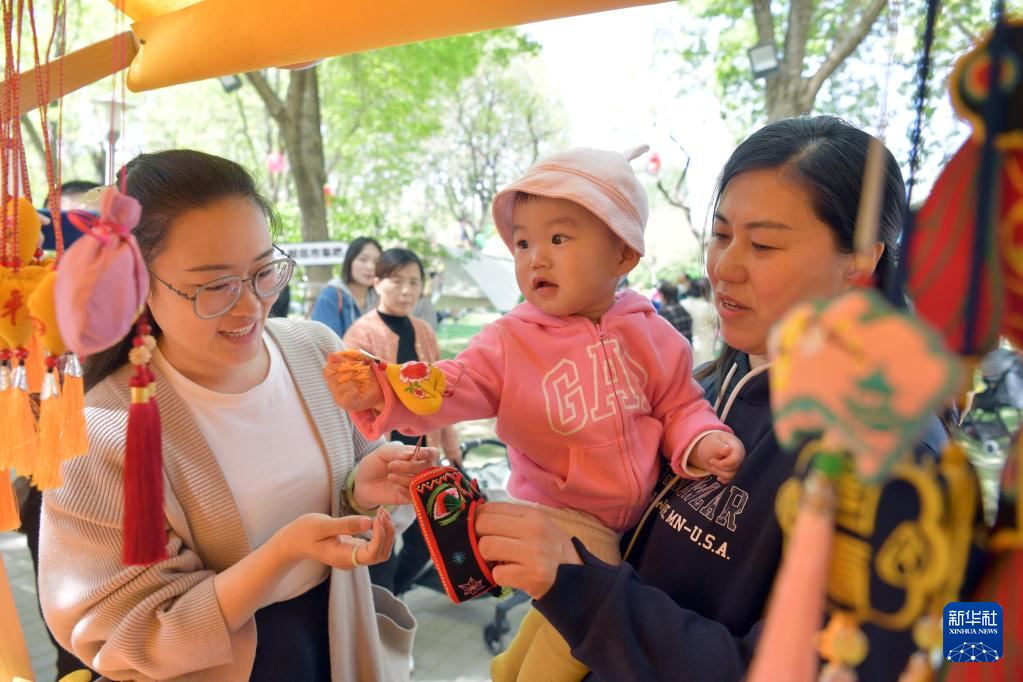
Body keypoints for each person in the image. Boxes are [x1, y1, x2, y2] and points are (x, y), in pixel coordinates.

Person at [469, 116, 978, 682]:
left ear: (860, 261)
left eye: (763, 244)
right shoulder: (702, 389)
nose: (724, 267)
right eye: (721, 234)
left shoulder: (897, 462)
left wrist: (577, 586)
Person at [327, 147, 745, 682]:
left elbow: (679, 404)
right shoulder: (511, 341)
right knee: (576, 637)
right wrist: (383, 386)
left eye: (558, 239)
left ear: (623, 254)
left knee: (549, 621)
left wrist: (702, 437)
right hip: (561, 512)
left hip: (629, 521)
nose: (535, 258)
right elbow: (453, 382)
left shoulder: (653, 334)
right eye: (522, 243)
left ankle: (507, 669)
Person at [38, 150, 436, 682]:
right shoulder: (102, 430)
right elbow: (122, 631)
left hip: (341, 638)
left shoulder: (316, 350)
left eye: (263, 272)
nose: (249, 306)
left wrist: (360, 494)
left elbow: (362, 503)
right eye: (214, 286)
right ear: (137, 283)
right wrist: (279, 555)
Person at [340, 247, 461, 595]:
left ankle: (395, 595)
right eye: (396, 281)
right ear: (377, 283)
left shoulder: (423, 331)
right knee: (382, 548)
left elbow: (441, 397)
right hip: (381, 461)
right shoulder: (360, 335)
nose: (407, 291)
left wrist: (452, 450)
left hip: (423, 455)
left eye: (414, 282)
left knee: (427, 541)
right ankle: (382, 607)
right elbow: (350, 408)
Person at [311, 238, 438, 338]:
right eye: (363, 260)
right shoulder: (330, 297)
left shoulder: (380, 297)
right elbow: (326, 344)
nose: (370, 267)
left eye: (376, 262)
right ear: (350, 262)